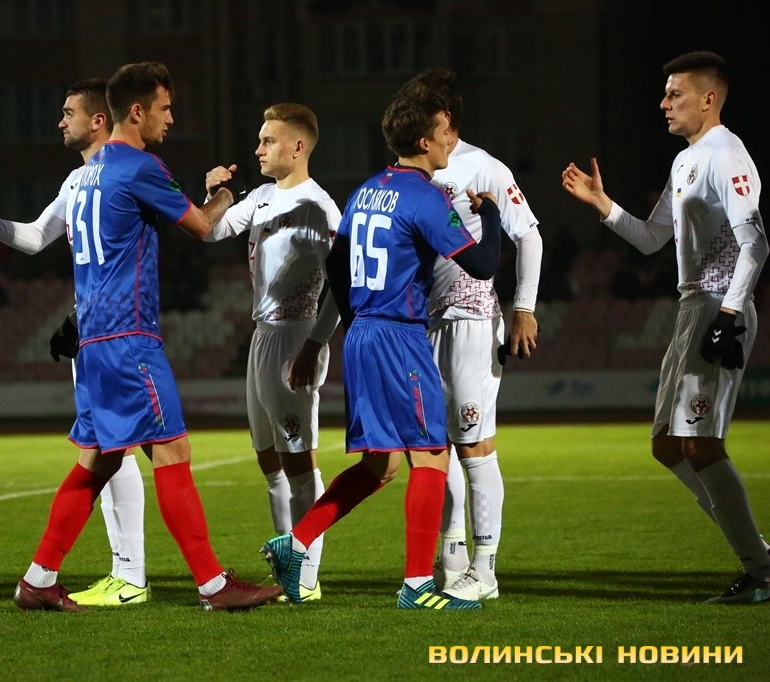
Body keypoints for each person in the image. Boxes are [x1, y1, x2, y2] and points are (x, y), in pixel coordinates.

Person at [11, 61, 282, 612]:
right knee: (172, 449)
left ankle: (38, 579)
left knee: (97, 461)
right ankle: (213, 584)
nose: (170, 118)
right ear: (136, 111)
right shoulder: (138, 165)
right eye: (164, 107)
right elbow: (202, 226)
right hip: (129, 337)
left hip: (93, 340)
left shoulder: (87, 174)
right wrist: (224, 194)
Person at [263, 84, 502, 609]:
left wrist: (357, 320)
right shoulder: (425, 196)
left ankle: (296, 541)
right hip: (399, 335)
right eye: (444, 131)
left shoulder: (366, 190)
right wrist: (493, 218)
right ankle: (418, 586)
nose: (450, 140)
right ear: (424, 141)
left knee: (381, 465)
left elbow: (336, 262)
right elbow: (483, 266)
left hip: (363, 335)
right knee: (432, 457)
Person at [562, 50, 770, 604]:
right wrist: (603, 204)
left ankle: (760, 571)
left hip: (717, 308)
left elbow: (755, 245)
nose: (663, 103)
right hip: (691, 308)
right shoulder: (685, 161)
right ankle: (760, 556)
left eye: (675, 94)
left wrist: (730, 314)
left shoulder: (727, 155)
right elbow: (654, 239)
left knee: (701, 444)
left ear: (709, 99)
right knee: (666, 445)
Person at [0, 79, 150, 607]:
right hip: (90, 330)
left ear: (97, 120)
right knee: (111, 449)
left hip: (119, 329)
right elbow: (36, 237)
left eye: (68, 112)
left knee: (129, 448)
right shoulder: (76, 180)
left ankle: (136, 575)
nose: (60, 121)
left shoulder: (125, 172)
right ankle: (124, 573)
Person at [404, 68, 543, 601]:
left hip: (471, 318)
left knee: (474, 444)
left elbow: (529, 235)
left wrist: (524, 308)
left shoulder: (484, 167)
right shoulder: (416, 170)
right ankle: (454, 557)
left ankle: (485, 570)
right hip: (424, 323)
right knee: (435, 446)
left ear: (444, 118)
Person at [202, 103, 340, 602]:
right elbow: (212, 230)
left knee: (299, 458)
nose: (258, 148)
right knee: (268, 458)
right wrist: (215, 194)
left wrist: (314, 345)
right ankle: (287, 565)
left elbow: (342, 287)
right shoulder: (260, 197)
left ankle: (306, 574)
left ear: (297, 146)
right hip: (262, 334)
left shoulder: (321, 209)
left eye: (268, 140)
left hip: (295, 336)